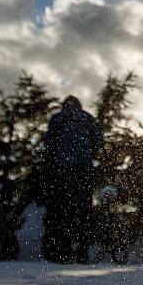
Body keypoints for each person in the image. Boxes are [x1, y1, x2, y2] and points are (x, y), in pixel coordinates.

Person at [43, 96, 104, 264]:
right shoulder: (87, 117)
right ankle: (83, 251)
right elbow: (99, 141)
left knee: (62, 209)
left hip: (63, 170)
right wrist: (88, 153)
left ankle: (63, 250)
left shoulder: (58, 118)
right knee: (84, 210)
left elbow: (48, 142)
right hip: (84, 169)